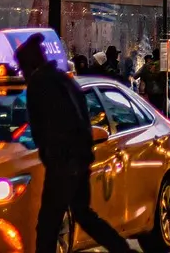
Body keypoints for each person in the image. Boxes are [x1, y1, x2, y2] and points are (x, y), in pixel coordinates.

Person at [14, 34, 129, 253]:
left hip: (62, 162)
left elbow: (47, 125)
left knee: (49, 223)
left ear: (30, 63)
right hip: (78, 157)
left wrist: (52, 155)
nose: (22, 72)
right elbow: (80, 117)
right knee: (82, 214)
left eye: (22, 66)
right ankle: (121, 249)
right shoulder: (64, 79)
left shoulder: (40, 84)